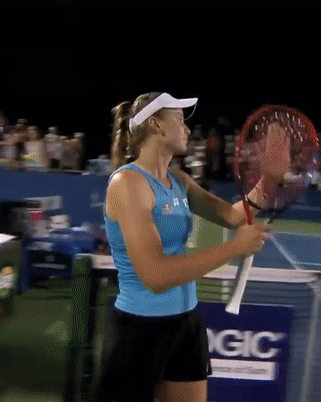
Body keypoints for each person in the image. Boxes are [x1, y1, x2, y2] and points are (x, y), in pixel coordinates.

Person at [96, 92, 282, 402]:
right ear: (155, 124)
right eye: (180, 120)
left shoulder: (178, 181)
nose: (187, 128)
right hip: (140, 330)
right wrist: (234, 248)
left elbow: (233, 215)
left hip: (185, 322)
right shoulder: (128, 184)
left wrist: (271, 177)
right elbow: (155, 274)